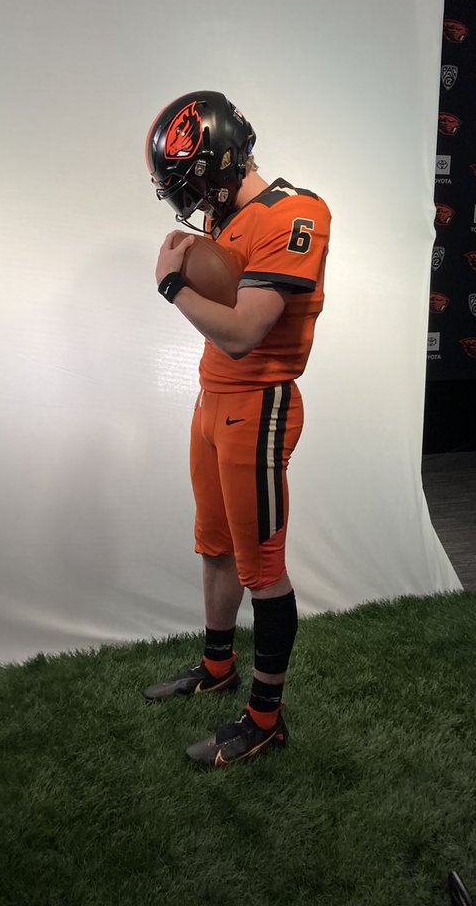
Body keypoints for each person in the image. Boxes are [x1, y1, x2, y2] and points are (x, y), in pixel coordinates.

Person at [143, 90, 331, 769]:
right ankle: (217, 665)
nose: (190, 199)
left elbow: (246, 333)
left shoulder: (295, 213)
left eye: (190, 182)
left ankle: (265, 719)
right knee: (215, 544)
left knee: (263, 569)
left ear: (220, 160)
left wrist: (173, 286)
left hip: (258, 405)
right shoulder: (228, 218)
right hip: (213, 401)